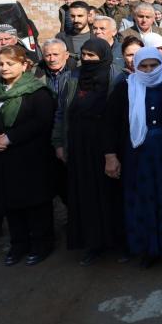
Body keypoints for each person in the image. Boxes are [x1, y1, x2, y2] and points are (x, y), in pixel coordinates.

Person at [51, 38, 125, 266]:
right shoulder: (71, 77)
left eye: (92, 56)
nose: (87, 59)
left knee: (112, 193)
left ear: (103, 55)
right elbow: (61, 112)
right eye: (83, 55)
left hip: (107, 144)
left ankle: (119, 242)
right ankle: (93, 243)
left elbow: (119, 115)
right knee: (86, 195)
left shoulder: (116, 76)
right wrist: (59, 142)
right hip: (79, 145)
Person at [103, 47, 162, 268]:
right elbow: (110, 124)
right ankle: (148, 248)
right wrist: (110, 156)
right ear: (136, 66)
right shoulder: (126, 87)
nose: (149, 70)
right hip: (136, 153)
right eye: (143, 65)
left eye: (153, 65)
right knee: (143, 198)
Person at [0, 46, 56, 266]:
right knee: (11, 204)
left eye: (10, 64)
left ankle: (42, 244)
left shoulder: (37, 92)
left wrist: (10, 138)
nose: (5, 68)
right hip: (4, 159)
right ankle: (18, 244)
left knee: (35, 203)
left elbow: (42, 121)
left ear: (24, 65)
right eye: (1, 64)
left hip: (31, 158)